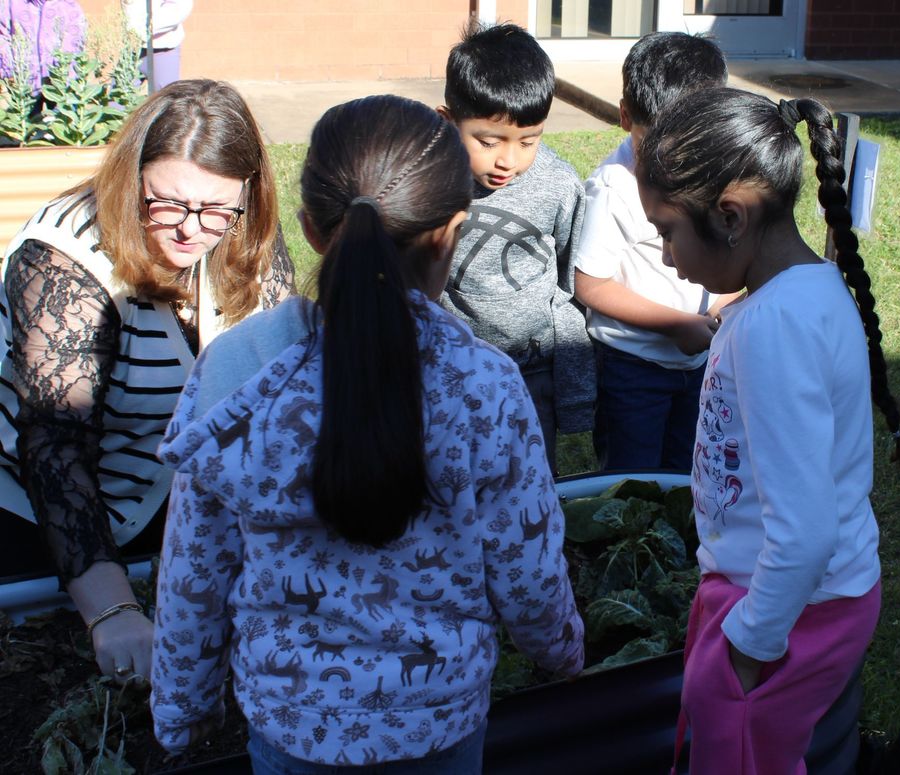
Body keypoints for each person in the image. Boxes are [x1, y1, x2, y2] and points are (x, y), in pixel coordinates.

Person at [149, 95, 584, 772]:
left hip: (291, 733)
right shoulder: (486, 385)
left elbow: (193, 573)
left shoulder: (237, 369)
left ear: (312, 232)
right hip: (440, 730)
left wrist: (182, 711)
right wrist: (563, 653)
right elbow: (526, 569)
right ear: (451, 231)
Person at [634, 87, 900, 774]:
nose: (666, 254)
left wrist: (746, 648)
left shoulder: (773, 330)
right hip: (803, 602)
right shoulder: (805, 292)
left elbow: (807, 527)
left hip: (787, 618)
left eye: (668, 230)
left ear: (730, 216)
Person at [0, 79, 294, 685]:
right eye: (167, 204)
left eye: (216, 209)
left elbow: (285, 392)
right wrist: (112, 611)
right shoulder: (60, 259)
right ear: (131, 181)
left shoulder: (241, 233)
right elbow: (54, 445)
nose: (191, 230)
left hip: (176, 507)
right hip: (43, 517)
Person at [575, 32, 740, 473]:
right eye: (658, 141)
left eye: (690, 142)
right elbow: (590, 283)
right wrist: (675, 324)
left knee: (690, 473)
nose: (674, 159)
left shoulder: (710, 175)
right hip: (633, 368)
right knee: (633, 483)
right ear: (627, 117)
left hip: (701, 359)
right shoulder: (614, 187)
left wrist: (723, 305)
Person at [437, 21, 594, 475]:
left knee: (529, 477)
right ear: (448, 121)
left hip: (534, 369)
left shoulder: (558, 185)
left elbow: (569, 277)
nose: (508, 160)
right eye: (488, 142)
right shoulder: (431, 181)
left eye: (529, 140)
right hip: (454, 367)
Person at [122, 0, 193, 92]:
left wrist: (141, 30)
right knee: (117, 100)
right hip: (132, 48)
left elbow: (180, 8)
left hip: (162, 48)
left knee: (165, 100)